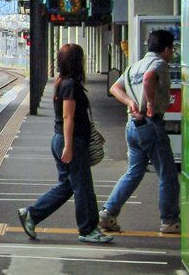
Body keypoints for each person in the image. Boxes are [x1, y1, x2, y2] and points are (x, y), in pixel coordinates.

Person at [18, 43, 113, 244]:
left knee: (68, 185)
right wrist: (69, 146)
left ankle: (32, 215)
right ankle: (88, 229)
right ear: (77, 62)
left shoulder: (62, 81)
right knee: (83, 188)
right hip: (71, 141)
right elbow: (68, 117)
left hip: (64, 139)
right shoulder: (70, 85)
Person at [98, 29, 180, 235]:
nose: (173, 54)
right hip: (151, 125)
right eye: (173, 50)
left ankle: (108, 214)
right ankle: (169, 220)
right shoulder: (159, 64)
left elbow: (115, 88)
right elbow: (149, 78)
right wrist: (149, 104)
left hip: (133, 127)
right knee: (168, 174)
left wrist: (131, 103)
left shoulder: (135, 65)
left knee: (134, 172)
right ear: (167, 49)